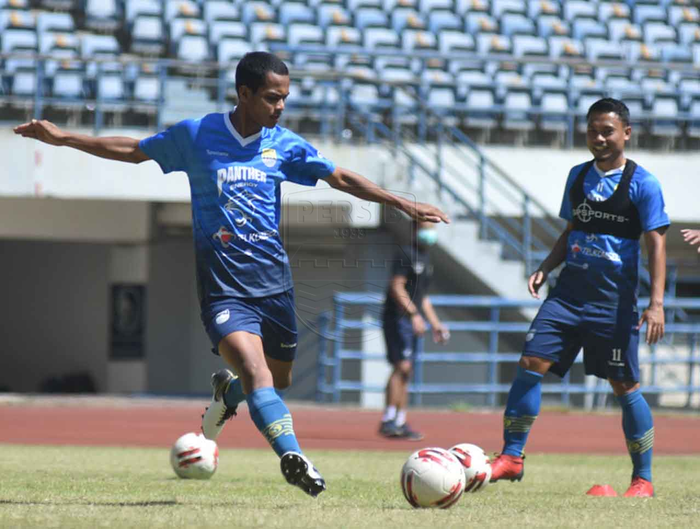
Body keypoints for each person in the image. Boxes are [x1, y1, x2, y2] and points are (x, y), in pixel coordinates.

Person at [13, 52, 449, 497]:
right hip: (224, 291)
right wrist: (63, 137)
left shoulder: (283, 145)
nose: (281, 107)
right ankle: (292, 455)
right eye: (272, 98)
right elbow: (133, 150)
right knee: (259, 374)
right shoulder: (197, 136)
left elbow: (338, 177)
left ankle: (228, 397)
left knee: (275, 382)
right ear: (244, 94)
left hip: (275, 287)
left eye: (285, 98)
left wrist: (403, 204)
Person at [489, 98, 669, 498]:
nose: (599, 137)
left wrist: (656, 303)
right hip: (568, 295)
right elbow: (572, 230)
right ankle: (512, 457)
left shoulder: (644, 184)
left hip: (614, 303)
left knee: (624, 385)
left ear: (626, 133)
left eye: (607, 130)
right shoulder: (577, 176)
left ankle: (643, 480)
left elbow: (657, 246)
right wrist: (546, 266)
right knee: (530, 361)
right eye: (592, 130)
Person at [379, 221, 450, 440]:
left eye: (432, 229)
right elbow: (397, 287)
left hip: (413, 321)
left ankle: (400, 421)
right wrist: (412, 315)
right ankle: (388, 419)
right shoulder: (406, 254)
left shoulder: (427, 259)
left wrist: (436, 323)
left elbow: (423, 297)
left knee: (408, 371)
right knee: (402, 365)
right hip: (398, 318)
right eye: (426, 228)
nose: (431, 233)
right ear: (415, 230)